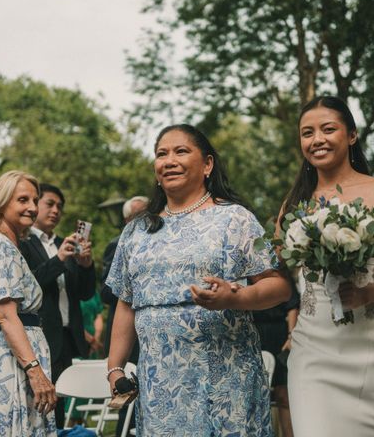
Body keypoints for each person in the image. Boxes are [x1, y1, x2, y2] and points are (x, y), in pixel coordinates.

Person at [106, 124, 291, 436]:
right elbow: (126, 303)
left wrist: (235, 298)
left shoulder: (235, 219)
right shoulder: (136, 231)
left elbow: (280, 286)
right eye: (161, 154)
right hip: (159, 382)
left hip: (225, 379)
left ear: (207, 165)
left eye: (181, 151)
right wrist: (115, 368)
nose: (169, 160)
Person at [282, 96, 374, 436]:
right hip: (313, 345)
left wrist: (367, 292)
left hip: (372, 344)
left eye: (328, 129)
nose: (317, 140)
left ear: (351, 135)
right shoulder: (295, 204)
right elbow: (279, 273)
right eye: (307, 133)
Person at [0, 170, 57, 436]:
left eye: (34, 200)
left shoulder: (0, 244)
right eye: (22, 200)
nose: (31, 207)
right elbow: (5, 316)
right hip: (10, 359)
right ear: (2, 202)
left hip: (1, 353)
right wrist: (34, 370)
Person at [19, 183, 96, 429]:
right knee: (37, 403)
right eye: (49, 204)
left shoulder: (67, 243)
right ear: (35, 204)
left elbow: (84, 293)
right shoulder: (23, 241)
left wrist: (85, 264)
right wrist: (59, 259)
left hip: (66, 336)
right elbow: (27, 285)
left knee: (59, 402)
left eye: (59, 207)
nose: (55, 210)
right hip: (38, 334)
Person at [100, 195, 148, 437]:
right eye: (139, 215)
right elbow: (106, 293)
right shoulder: (117, 244)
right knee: (126, 397)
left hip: (147, 335)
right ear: (128, 219)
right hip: (127, 335)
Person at [252, 294, 298, 437]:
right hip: (253, 332)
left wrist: (291, 336)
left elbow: (293, 306)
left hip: (279, 334)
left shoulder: (280, 273)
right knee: (255, 395)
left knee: (283, 395)